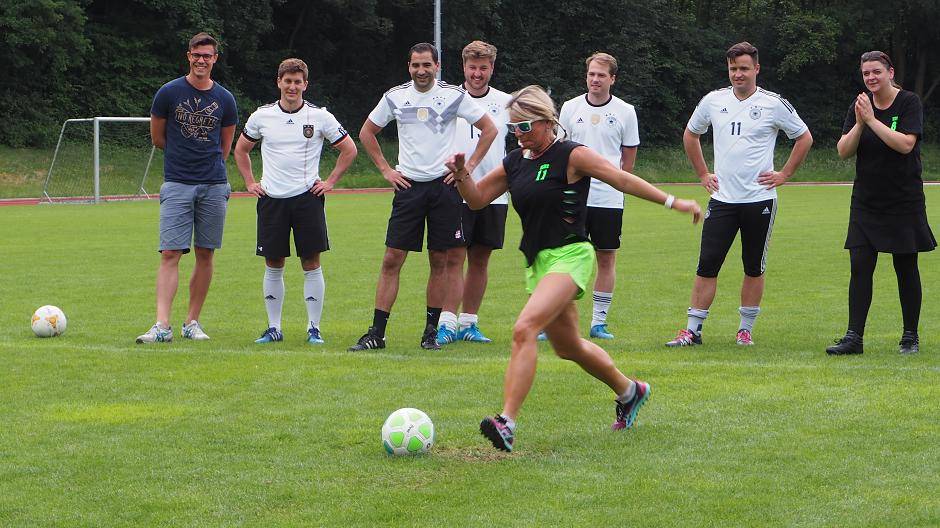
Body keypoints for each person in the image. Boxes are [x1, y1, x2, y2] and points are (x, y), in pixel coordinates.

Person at [446, 85, 702, 452]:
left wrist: (674, 201)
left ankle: (506, 422)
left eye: (525, 127)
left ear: (548, 121)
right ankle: (631, 391)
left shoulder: (572, 155)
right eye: (513, 128)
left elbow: (622, 179)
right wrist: (461, 174)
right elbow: (476, 200)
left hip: (571, 256)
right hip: (539, 262)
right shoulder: (516, 161)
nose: (518, 135)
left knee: (524, 329)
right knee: (569, 347)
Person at [348, 43, 497, 351]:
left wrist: (465, 169)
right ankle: (377, 333)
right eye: (416, 65)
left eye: (426, 65)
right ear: (409, 66)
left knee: (439, 261)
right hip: (408, 188)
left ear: (437, 66)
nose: (421, 70)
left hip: (443, 189)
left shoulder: (454, 96)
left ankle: (430, 332)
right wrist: (387, 170)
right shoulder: (395, 96)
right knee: (392, 259)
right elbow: (366, 132)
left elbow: (489, 129)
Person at [665, 41, 813, 348]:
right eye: (733, 68)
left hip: (759, 199)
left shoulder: (773, 103)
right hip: (722, 200)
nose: (738, 74)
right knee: (707, 263)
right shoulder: (713, 101)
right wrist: (703, 173)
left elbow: (804, 136)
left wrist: (784, 174)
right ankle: (693, 330)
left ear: (757, 69)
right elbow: (691, 134)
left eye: (744, 68)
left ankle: (745, 329)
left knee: (752, 266)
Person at [233, 58, 358, 345]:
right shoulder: (261, 116)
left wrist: (330, 182)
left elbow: (349, 149)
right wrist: (250, 182)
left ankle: (314, 328)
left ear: (305, 84)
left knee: (310, 261)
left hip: (307, 199)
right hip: (272, 199)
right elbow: (241, 150)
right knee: (273, 262)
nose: (292, 86)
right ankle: (274, 328)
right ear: (279, 82)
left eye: (297, 81)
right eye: (287, 81)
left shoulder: (320, 116)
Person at [826, 51, 935, 356]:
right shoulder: (860, 105)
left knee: (905, 266)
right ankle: (853, 337)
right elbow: (843, 151)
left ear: (890, 72)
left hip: (903, 200)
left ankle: (910, 337)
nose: (871, 78)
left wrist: (872, 120)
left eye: (876, 72)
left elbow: (905, 144)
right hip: (866, 201)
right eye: (866, 74)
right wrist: (861, 123)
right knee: (860, 266)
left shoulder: (909, 102)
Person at [137, 32, 238, 344]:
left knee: (205, 254)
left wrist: (207, 170)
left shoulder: (225, 99)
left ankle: (192, 322)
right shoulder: (168, 93)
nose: (201, 60)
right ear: (188, 56)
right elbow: (158, 138)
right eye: (197, 54)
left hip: (213, 184)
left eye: (207, 55)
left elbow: (224, 147)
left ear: (215, 59)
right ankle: (162, 326)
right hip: (178, 183)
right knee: (170, 252)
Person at [558, 52, 640, 340]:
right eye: (592, 74)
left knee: (606, 258)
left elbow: (628, 157)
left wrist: (619, 185)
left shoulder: (626, 111)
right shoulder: (569, 107)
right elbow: (560, 149)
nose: (595, 79)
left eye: (601, 75)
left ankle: (598, 323)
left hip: (608, 199)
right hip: (573, 197)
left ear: (612, 79)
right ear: (586, 75)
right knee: (566, 259)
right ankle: (558, 320)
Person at [435, 40, 513, 345]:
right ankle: (446, 323)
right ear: (463, 67)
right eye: (472, 67)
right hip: (454, 191)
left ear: (491, 68)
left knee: (480, 259)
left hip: (495, 191)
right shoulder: (448, 100)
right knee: (453, 258)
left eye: (483, 67)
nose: (477, 73)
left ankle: (469, 323)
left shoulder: (508, 103)